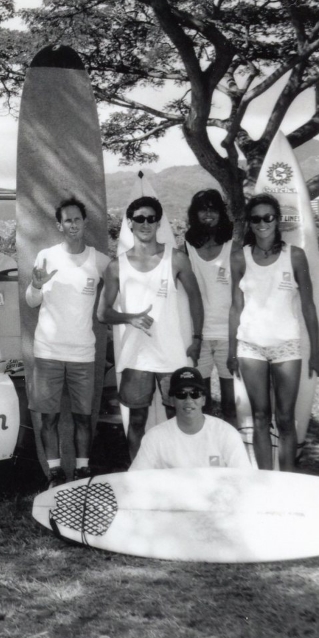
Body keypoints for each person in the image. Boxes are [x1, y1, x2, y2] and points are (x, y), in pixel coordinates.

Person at [98, 196, 204, 460]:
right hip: (137, 356)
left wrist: (198, 337)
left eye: (151, 219)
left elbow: (196, 298)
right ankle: (139, 474)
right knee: (136, 421)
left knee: (178, 417)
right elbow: (102, 313)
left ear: (158, 223)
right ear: (130, 224)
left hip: (171, 355)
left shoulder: (176, 259)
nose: (145, 223)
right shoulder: (116, 266)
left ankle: (181, 471)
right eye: (139, 218)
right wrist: (130, 318)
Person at [228, 193, 319, 471]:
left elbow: (308, 305)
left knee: (284, 418)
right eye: (255, 218)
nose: (262, 223)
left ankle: (287, 481)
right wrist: (233, 351)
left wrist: (316, 351)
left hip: (286, 346)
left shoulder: (294, 256)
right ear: (249, 223)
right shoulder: (239, 258)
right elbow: (235, 307)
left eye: (267, 217)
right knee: (259, 417)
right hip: (250, 347)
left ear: (277, 220)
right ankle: (265, 480)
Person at [25, 197, 111, 485]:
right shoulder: (46, 256)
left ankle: (83, 470)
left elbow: (125, 285)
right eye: (67, 220)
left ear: (84, 222)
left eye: (77, 219)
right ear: (59, 225)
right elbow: (31, 301)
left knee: (83, 417)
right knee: (48, 418)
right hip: (48, 352)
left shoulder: (99, 261)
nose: (72, 225)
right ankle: (55, 472)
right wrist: (36, 285)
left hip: (83, 353)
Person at [183, 189, 236, 425]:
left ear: (221, 213)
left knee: (230, 404)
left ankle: (232, 454)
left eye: (213, 208)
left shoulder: (233, 246)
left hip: (228, 335)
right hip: (198, 337)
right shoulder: (186, 247)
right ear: (195, 214)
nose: (208, 214)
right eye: (202, 209)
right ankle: (205, 454)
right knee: (200, 403)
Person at [130, 367, 251, 470]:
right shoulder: (155, 437)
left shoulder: (226, 433)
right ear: (171, 400)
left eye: (195, 394)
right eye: (181, 394)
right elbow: (136, 479)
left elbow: (244, 479)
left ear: (203, 399)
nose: (188, 400)